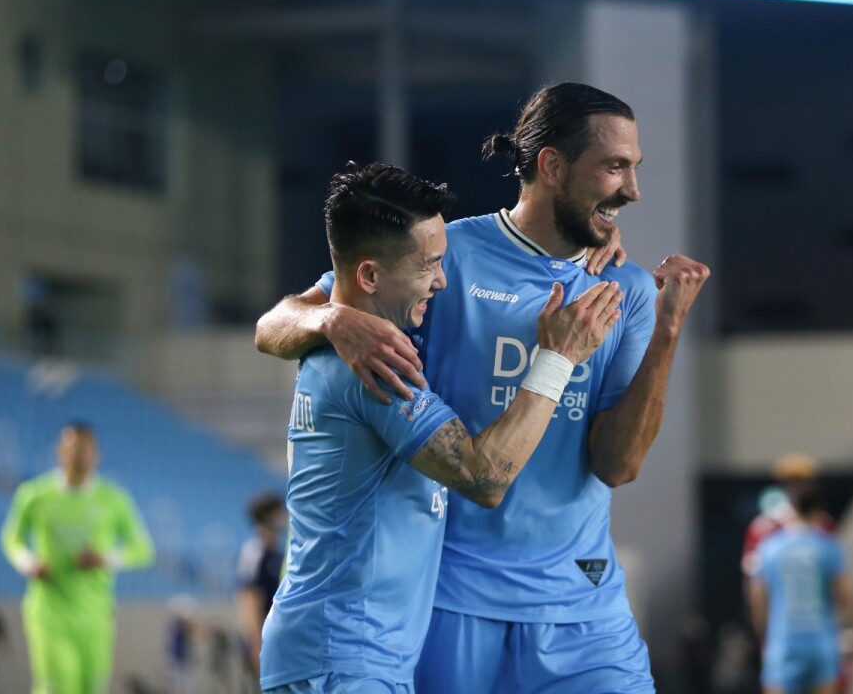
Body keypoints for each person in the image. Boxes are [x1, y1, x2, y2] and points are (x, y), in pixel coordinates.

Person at [256, 83, 710, 692]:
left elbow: (618, 464)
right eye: (613, 167)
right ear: (551, 166)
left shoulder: (623, 290)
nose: (631, 190)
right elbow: (274, 324)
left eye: (634, 168)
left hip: (581, 606)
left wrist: (668, 331)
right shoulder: (439, 260)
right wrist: (329, 319)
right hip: (447, 603)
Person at [258, 162, 622, 693]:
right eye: (429, 264)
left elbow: (277, 325)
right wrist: (557, 359)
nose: (443, 280)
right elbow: (485, 476)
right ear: (370, 276)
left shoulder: (348, 345)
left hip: (346, 657)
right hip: (343, 659)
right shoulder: (372, 369)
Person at [0, 422, 155, 694]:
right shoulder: (34, 495)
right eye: (74, 448)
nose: (81, 454)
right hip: (49, 610)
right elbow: (11, 540)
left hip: (96, 613)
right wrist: (28, 563)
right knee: (58, 688)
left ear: (96, 454)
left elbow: (142, 549)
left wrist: (105, 559)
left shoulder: (113, 498)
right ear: (60, 451)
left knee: (92, 688)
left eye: (87, 448)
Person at [749, 484, 853, 694]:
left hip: (783, 641)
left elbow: (757, 595)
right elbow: (846, 593)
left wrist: (762, 633)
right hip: (822, 641)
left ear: (791, 508)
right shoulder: (828, 545)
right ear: (818, 510)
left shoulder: (771, 547)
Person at [235, 493, 285, 674]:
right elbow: (248, 598)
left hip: (278, 638)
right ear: (267, 517)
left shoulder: (279, 552)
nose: (284, 517)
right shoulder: (254, 551)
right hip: (262, 641)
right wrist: (255, 643)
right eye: (279, 513)